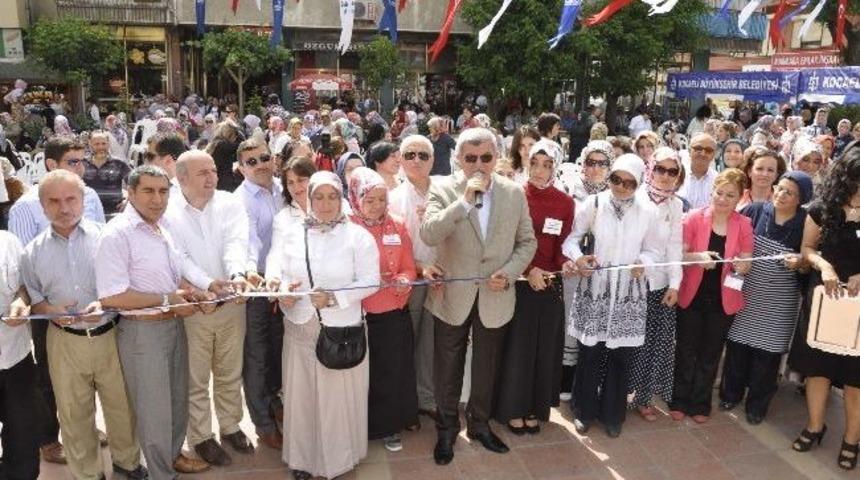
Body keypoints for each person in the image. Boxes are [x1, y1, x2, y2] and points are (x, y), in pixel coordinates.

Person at [420, 127, 537, 465]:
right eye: (470, 158)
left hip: (495, 295)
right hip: (451, 296)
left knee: (486, 366)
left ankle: (480, 425)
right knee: (447, 367)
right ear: (458, 158)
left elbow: (527, 242)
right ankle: (446, 429)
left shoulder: (514, 193)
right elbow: (429, 234)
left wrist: (510, 272)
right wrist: (464, 202)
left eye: (486, 157)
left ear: (496, 157)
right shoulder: (442, 188)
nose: (479, 165)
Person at [19, 170, 147, 480]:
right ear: (42, 205)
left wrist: (106, 304)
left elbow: (128, 284)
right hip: (64, 341)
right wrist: (49, 309)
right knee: (74, 413)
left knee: (122, 407)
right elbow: (34, 299)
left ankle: (127, 465)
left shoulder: (110, 238)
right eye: (54, 201)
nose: (64, 208)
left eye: (71, 199)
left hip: (112, 335)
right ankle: (88, 474)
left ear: (83, 200)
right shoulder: (31, 253)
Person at [95, 165, 215, 480]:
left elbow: (171, 274)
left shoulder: (162, 227)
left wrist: (195, 292)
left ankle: (171, 459)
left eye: (163, 191)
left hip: (173, 325)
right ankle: (162, 474)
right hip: (142, 333)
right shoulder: (118, 233)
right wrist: (167, 300)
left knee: (176, 403)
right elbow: (112, 296)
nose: (157, 199)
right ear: (131, 193)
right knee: (154, 412)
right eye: (148, 191)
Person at [271, 170, 380, 480]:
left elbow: (371, 280)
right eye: (318, 196)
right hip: (299, 327)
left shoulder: (357, 236)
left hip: (339, 329)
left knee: (336, 399)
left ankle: (339, 458)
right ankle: (303, 460)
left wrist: (335, 298)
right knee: (302, 396)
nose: (325, 203)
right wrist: (282, 290)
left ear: (341, 197)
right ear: (309, 197)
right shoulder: (293, 232)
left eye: (332, 196)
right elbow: (276, 265)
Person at [7, 135, 106, 465]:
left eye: (83, 160)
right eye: (73, 162)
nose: (82, 167)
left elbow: (101, 243)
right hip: (45, 312)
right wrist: (42, 306)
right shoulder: (24, 209)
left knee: (90, 381)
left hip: (94, 312)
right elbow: (23, 268)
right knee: (50, 379)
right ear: (51, 165)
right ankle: (50, 438)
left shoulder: (88, 195)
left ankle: (87, 429)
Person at [163, 150, 255, 465]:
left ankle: (231, 426)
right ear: (181, 177)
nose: (211, 177)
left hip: (231, 301)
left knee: (230, 371)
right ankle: (201, 436)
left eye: (213, 170)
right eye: (202, 172)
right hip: (195, 308)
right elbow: (178, 256)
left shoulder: (229, 203)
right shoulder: (168, 211)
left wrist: (236, 276)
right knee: (196, 377)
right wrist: (206, 285)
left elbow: (236, 242)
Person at [563, 154, 660, 438]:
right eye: (617, 179)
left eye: (630, 183)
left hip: (629, 293)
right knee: (590, 353)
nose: (621, 187)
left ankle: (613, 414)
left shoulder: (647, 211)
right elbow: (571, 239)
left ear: (639, 183)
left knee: (622, 357)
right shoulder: (592, 204)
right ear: (610, 177)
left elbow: (655, 251)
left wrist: (644, 262)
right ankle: (584, 410)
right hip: (596, 290)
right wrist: (579, 258)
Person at [720, 170, 812, 425]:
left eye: (790, 193)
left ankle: (757, 407)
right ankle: (730, 395)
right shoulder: (755, 211)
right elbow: (735, 240)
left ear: (801, 198)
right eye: (780, 188)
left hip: (779, 302)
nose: (781, 195)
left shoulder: (806, 223)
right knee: (737, 348)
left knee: (767, 357)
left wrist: (800, 263)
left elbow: (808, 261)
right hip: (747, 294)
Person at [788, 147, 860, 470]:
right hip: (824, 298)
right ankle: (816, 426)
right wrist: (825, 267)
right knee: (817, 368)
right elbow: (807, 249)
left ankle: (851, 439)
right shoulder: (822, 208)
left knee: (855, 379)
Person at [494, 139, 572, 435]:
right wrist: (528, 269)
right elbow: (505, 242)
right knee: (519, 347)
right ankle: (513, 407)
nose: (539, 170)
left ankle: (534, 407)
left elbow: (562, 246)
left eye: (547, 164)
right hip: (520, 281)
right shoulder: (514, 194)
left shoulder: (565, 202)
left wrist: (568, 263)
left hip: (549, 284)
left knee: (544, 347)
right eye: (535, 163)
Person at [670, 168, 753, 424]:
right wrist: (698, 258)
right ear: (712, 191)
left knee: (711, 353)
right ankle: (679, 399)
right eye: (720, 192)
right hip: (692, 297)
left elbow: (748, 260)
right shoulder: (694, 217)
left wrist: (742, 265)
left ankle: (701, 403)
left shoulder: (744, 224)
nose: (723, 199)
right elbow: (678, 256)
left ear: (740, 197)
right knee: (686, 351)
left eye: (731, 195)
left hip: (723, 300)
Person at [346, 166, 419, 452]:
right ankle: (359, 426)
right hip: (359, 314)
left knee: (391, 372)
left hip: (393, 313)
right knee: (364, 375)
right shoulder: (347, 227)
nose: (377, 206)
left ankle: (388, 427)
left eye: (382, 200)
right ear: (356, 198)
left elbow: (409, 266)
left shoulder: (398, 224)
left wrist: (405, 279)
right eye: (370, 200)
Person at [232, 138, 286, 451]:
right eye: (251, 161)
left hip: (286, 284)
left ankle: (275, 401)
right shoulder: (242, 200)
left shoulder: (284, 188)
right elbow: (248, 242)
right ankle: (263, 422)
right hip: (257, 284)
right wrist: (253, 274)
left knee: (278, 349)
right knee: (256, 355)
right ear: (240, 168)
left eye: (264, 157)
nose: (261, 164)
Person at [628, 147, 685, 421]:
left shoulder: (676, 204)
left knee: (654, 344)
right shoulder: (634, 197)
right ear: (650, 169)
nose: (665, 176)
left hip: (660, 284)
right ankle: (618, 394)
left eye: (672, 171)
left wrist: (675, 284)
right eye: (660, 169)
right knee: (627, 342)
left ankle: (643, 397)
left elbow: (674, 247)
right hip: (632, 283)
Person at [388, 136, 441, 423]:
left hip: (444, 278)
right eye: (410, 155)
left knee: (431, 344)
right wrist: (420, 267)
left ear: (433, 160)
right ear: (400, 159)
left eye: (423, 155)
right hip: (411, 281)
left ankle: (427, 398)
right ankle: (407, 403)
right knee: (408, 342)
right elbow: (395, 246)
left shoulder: (445, 192)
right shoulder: (394, 198)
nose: (416, 160)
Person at [0, 230, 39, 480]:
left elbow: (26, 287)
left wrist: (21, 301)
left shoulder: (8, 241)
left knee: (24, 438)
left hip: (16, 357)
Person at [82, 131, 132, 215]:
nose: (101, 147)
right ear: (90, 144)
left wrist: (128, 200)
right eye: (97, 144)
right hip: (89, 213)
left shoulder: (119, 163)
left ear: (108, 144)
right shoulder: (82, 163)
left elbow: (136, 184)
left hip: (115, 213)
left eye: (103, 143)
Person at [678, 133, 719, 210]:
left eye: (708, 150)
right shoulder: (675, 175)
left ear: (714, 155)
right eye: (698, 148)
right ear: (689, 151)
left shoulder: (718, 180)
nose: (703, 153)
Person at [206, 120, 243, 192]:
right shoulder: (223, 145)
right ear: (230, 134)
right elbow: (243, 145)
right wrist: (237, 131)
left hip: (218, 180)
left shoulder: (215, 143)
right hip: (224, 182)